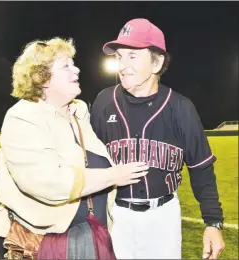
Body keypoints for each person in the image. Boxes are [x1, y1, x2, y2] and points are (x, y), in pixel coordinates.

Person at [0, 37, 149, 259]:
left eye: (74, 63)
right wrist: (113, 175)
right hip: (39, 241)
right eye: (66, 66)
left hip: (88, 236)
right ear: (43, 78)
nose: (77, 70)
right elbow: (47, 182)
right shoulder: (22, 117)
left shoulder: (79, 113)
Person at [90, 18, 225, 259]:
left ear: (157, 62)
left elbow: (201, 168)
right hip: (116, 215)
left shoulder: (180, 107)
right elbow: (88, 162)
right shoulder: (103, 102)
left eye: (132, 56)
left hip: (163, 217)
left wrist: (213, 222)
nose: (122, 65)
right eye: (119, 57)